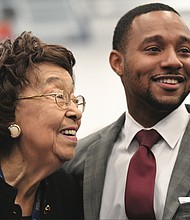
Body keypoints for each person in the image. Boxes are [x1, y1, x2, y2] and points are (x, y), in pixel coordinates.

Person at [64, 2, 190, 220]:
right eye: (154, 49)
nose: (173, 61)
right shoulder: (78, 161)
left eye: (185, 51)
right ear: (117, 62)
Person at [0, 31, 85, 219]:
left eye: (74, 99)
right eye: (58, 96)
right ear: (9, 109)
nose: (76, 112)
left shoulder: (65, 191)